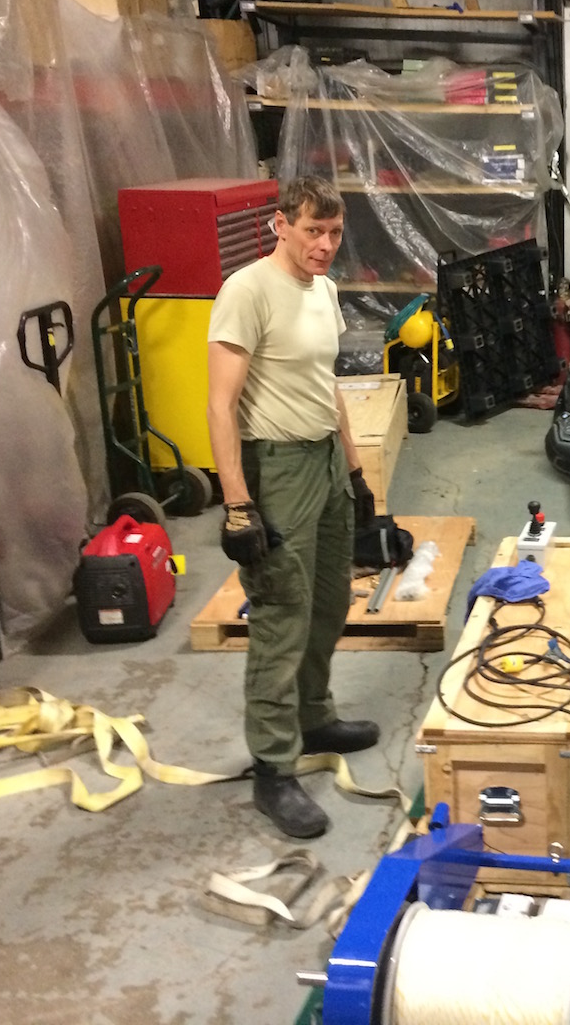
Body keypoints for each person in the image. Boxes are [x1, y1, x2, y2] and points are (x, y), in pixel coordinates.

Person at [206, 175, 380, 839]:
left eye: (335, 233)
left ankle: (314, 715)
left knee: (331, 599)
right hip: (273, 467)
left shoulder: (324, 290)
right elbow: (220, 404)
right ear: (282, 224)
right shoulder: (247, 291)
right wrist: (238, 505)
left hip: (326, 463)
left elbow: (326, 381)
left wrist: (357, 471)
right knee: (282, 612)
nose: (325, 245)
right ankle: (274, 769)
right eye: (314, 231)